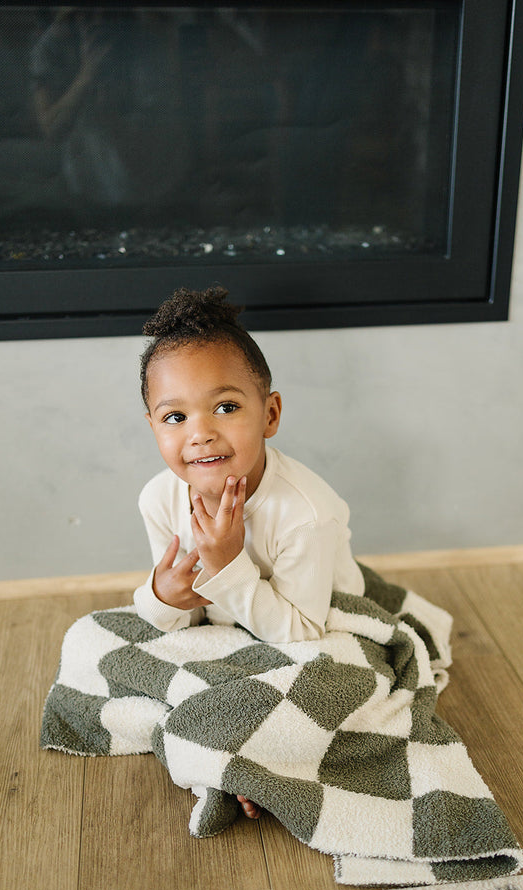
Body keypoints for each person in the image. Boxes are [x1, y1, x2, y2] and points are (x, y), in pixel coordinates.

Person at [134, 285, 365, 818]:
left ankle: (252, 767)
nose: (201, 434)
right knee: (121, 652)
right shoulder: (160, 499)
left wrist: (226, 565)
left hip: (316, 629)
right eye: (175, 418)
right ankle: (232, 756)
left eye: (226, 406)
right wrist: (164, 597)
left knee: (321, 692)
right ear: (153, 427)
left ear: (270, 413)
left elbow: (306, 633)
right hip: (230, 635)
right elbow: (178, 620)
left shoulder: (307, 514)